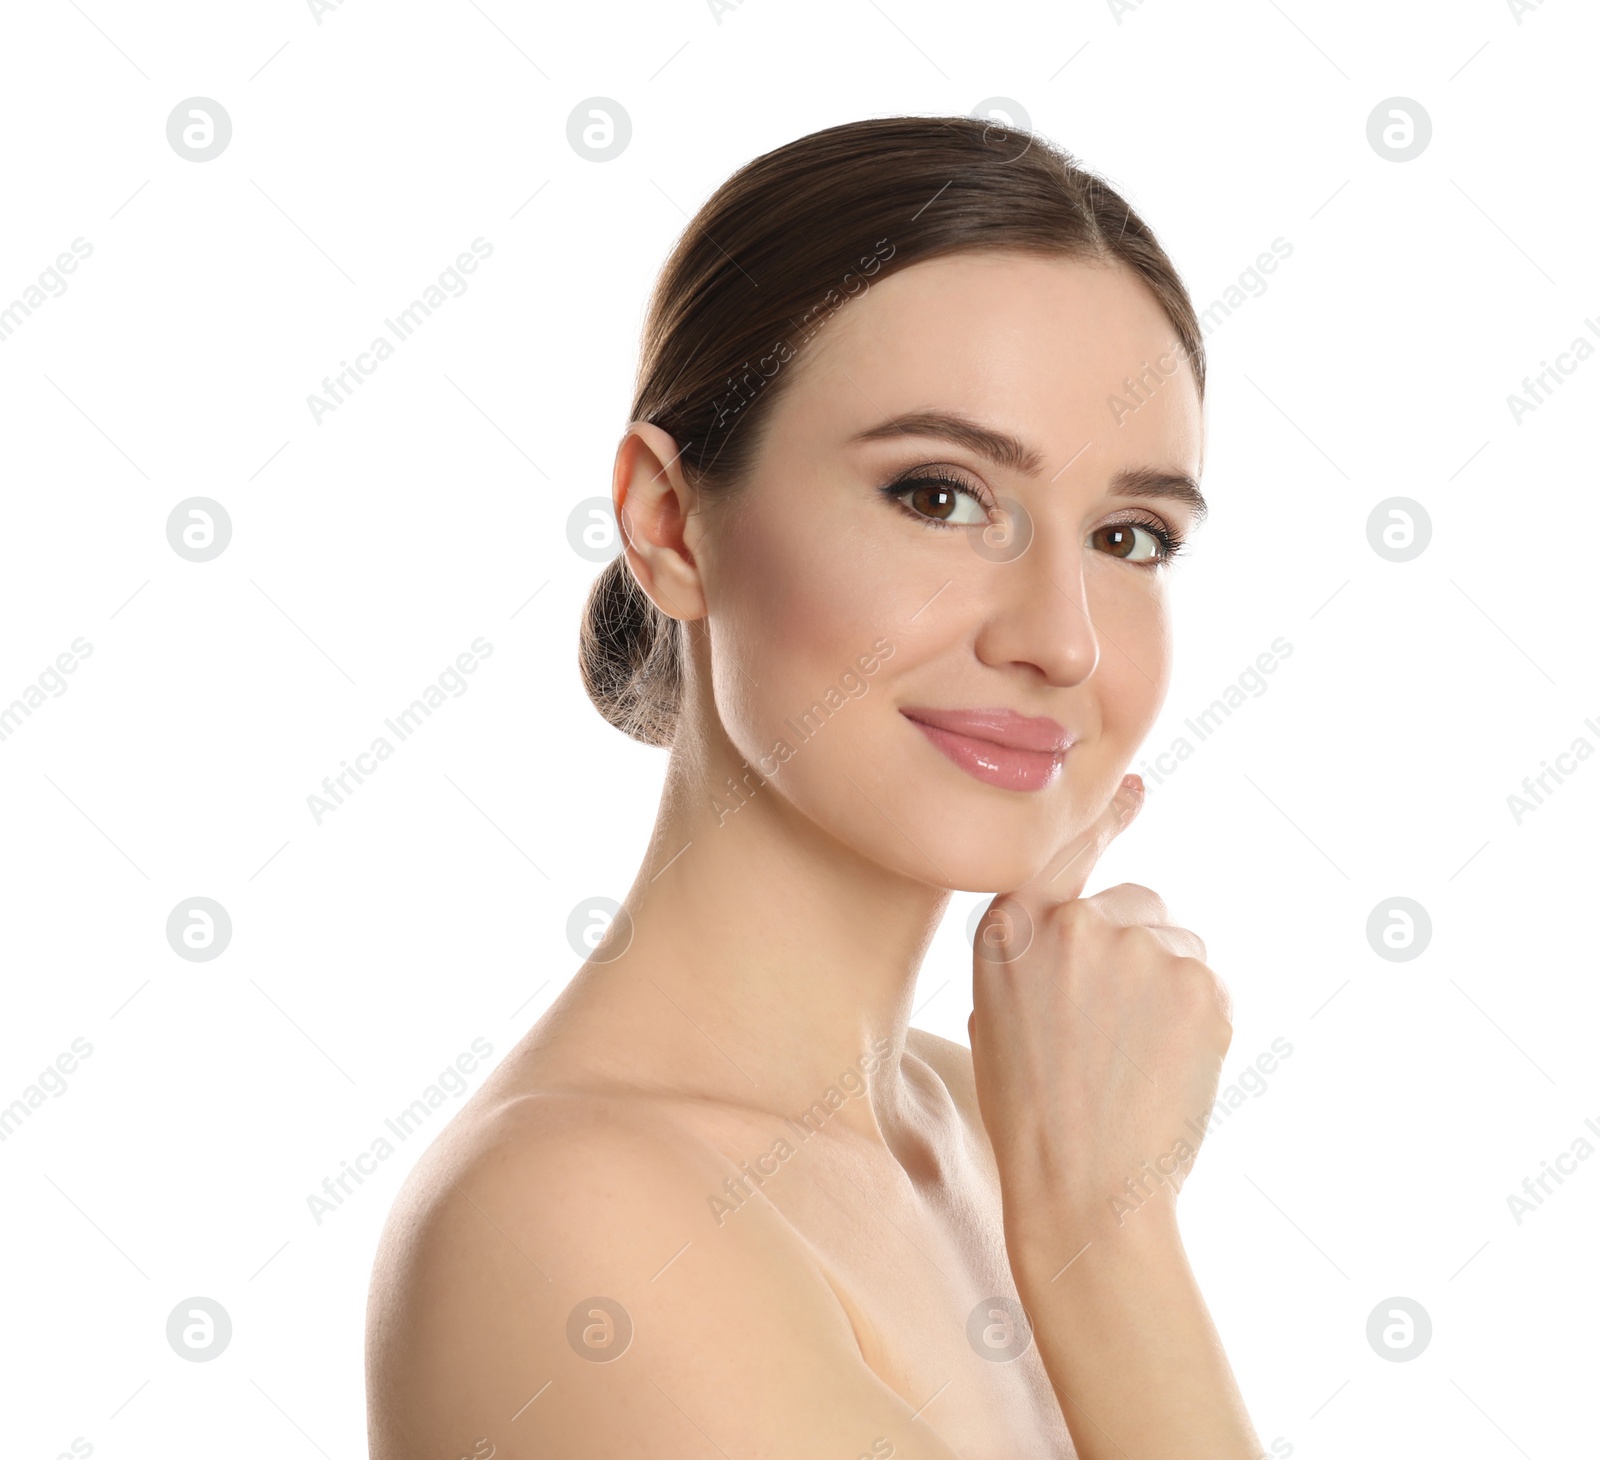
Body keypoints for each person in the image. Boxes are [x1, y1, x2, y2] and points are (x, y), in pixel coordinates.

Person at [366, 114, 1262, 1459]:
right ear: (670, 524)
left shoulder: (987, 1116)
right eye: (940, 496)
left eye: (1130, 536)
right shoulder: (577, 1221)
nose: (1062, 638)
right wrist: (1104, 1240)